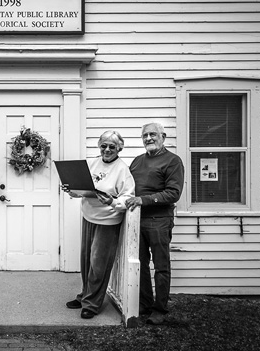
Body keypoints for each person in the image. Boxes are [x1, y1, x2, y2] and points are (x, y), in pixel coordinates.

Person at [62, 130, 135, 319]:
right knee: (86, 261)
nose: (107, 149)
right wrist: (71, 189)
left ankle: (92, 304)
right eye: (104, 145)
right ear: (99, 146)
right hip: (88, 216)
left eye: (112, 146)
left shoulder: (122, 170)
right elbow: (82, 189)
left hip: (107, 220)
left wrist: (112, 201)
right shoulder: (92, 163)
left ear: (120, 148)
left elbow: (128, 197)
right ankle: (85, 295)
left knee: (98, 264)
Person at [125, 122, 184, 325]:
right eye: (145, 135)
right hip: (136, 221)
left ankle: (160, 308)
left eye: (153, 134)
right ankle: (145, 304)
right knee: (139, 265)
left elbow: (173, 193)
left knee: (161, 266)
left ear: (163, 137)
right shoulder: (137, 161)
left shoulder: (173, 161)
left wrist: (144, 199)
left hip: (159, 220)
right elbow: (128, 188)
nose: (148, 138)